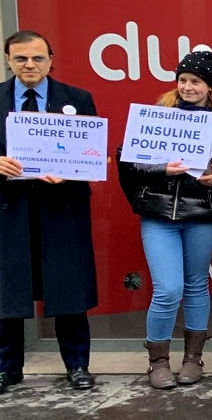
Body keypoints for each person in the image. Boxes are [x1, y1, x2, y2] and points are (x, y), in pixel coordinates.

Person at [117, 50, 212, 389]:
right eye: (183, 80)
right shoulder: (156, 117)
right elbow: (126, 161)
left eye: (196, 82)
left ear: (209, 87)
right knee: (168, 289)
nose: (188, 87)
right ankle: (157, 361)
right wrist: (160, 169)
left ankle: (193, 359)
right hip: (158, 215)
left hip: (201, 215)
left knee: (197, 285)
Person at [0, 30, 100, 392]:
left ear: (51, 60)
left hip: (61, 208)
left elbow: (91, 156)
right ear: (9, 60)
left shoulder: (76, 99)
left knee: (68, 289)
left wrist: (71, 169)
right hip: (9, 211)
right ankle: (6, 368)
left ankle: (77, 366)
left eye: (38, 58)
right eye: (21, 58)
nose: (30, 65)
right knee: (6, 292)